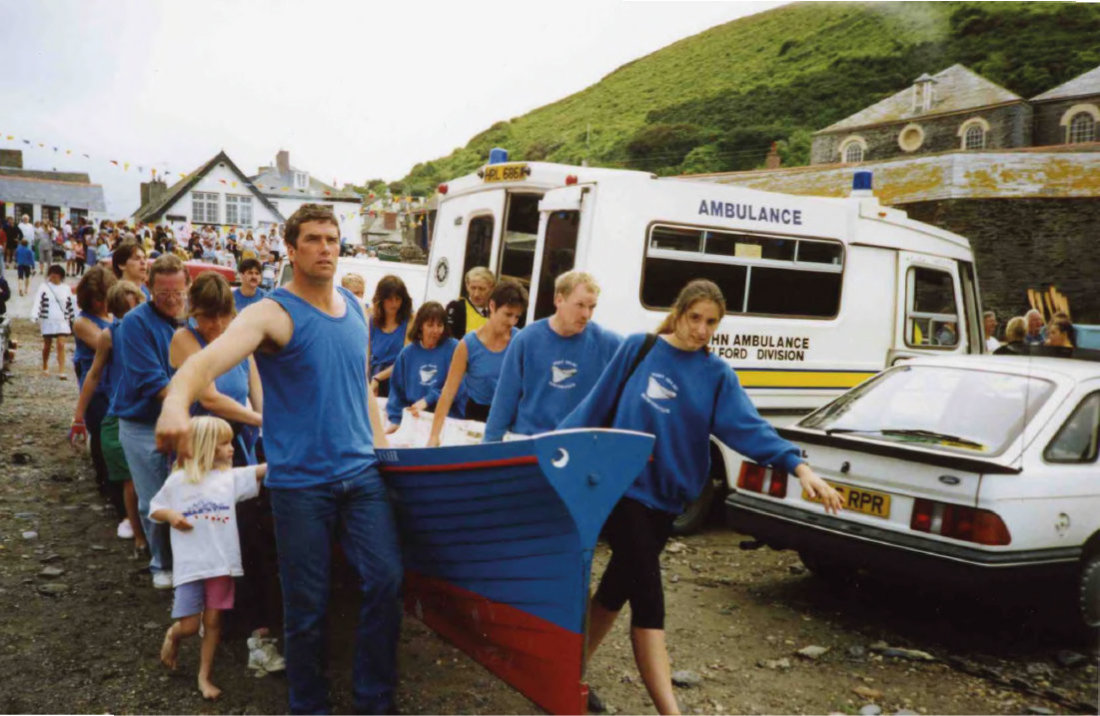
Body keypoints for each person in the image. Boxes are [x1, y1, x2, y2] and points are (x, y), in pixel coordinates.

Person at [154, 204, 401, 714]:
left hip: (361, 475)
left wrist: (384, 454)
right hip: (301, 486)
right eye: (312, 239)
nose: (325, 247)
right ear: (290, 250)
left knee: (386, 581)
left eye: (332, 239)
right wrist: (177, 404)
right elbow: (204, 362)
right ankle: (308, 705)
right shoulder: (271, 312)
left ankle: (374, 699)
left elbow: (361, 389)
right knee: (306, 606)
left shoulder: (356, 308)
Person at [558, 279, 842, 715]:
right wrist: (543, 452)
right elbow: (592, 409)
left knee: (616, 590)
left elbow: (750, 429)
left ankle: (566, 678)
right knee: (649, 601)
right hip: (623, 493)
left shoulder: (715, 375)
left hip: (667, 504)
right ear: (680, 312)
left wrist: (800, 467)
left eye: (712, 322)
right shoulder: (641, 349)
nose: (702, 330)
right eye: (695, 318)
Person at [151, 415, 267, 701]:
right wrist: (172, 516)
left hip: (222, 564)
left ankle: (205, 675)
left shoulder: (229, 479)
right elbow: (155, 507)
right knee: (190, 625)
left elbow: (263, 470)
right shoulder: (178, 481)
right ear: (206, 447)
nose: (231, 449)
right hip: (191, 565)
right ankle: (173, 635)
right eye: (225, 444)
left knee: (214, 621)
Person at [114, 253, 191, 589]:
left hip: (186, 414)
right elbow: (152, 382)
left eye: (178, 293)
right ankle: (161, 562)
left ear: (187, 286)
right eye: (163, 295)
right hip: (142, 422)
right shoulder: (134, 323)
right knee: (154, 498)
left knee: (188, 494)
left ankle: (189, 562)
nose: (172, 301)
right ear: (148, 289)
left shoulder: (190, 319)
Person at [484, 271, 621, 442]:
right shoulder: (526, 340)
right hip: (529, 444)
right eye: (579, 305)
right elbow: (504, 402)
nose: (586, 314)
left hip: (579, 447)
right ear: (559, 300)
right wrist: (489, 445)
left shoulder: (609, 344)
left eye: (592, 307)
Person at [71, 280, 148, 557]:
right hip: (120, 412)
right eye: (124, 311)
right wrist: (78, 416)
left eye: (135, 309)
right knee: (129, 479)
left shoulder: (155, 331)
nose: (131, 317)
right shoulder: (109, 335)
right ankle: (139, 535)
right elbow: (92, 375)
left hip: (150, 412)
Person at [428, 278, 527, 445]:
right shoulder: (468, 345)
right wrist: (434, 435)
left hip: (510, 417)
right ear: (493, 306)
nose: (512, 322)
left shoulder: (520, 341)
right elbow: (448, 392)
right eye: (508, 314)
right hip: (477, 416)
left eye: (517, 317)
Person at [386, 301, 464, 431]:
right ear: (420, 326)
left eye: (440, 325)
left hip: (446, 420)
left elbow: (459, 387)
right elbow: (396, 393)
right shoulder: (407, 353)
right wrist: (396, 420)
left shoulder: (455, 348)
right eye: (430, 325)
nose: (435, 331)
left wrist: (428, 400)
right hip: (414, 418)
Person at [367, 275, 412, 398]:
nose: (394, 304)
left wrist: (378, 378)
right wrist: (368, 381)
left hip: (397, 378)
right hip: (374, 375)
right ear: (381, 299)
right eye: (390, 299)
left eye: (398, 299)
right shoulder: (372, 320)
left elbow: (405, 359)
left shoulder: (409, 320)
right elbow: (366, 355)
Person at [29, 264, 76, 379]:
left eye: (56, 275)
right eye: (52, 274)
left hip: (62, 320)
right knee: (47, 345)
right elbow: (38, 302)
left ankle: (62, 371)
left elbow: (71, 304)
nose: (53, 277)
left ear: (61, 276)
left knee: (61, 344)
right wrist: (34, 315)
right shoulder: (44, 287)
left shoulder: (66, 288)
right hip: (48, 319)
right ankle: (45, 366)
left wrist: (74, 318)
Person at [445, 266, 495, 339]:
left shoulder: (496, 311)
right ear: (467, 286)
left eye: (482, 289)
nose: (476, 294)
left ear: (491, 289)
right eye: (473, 288)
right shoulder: (457, 307)